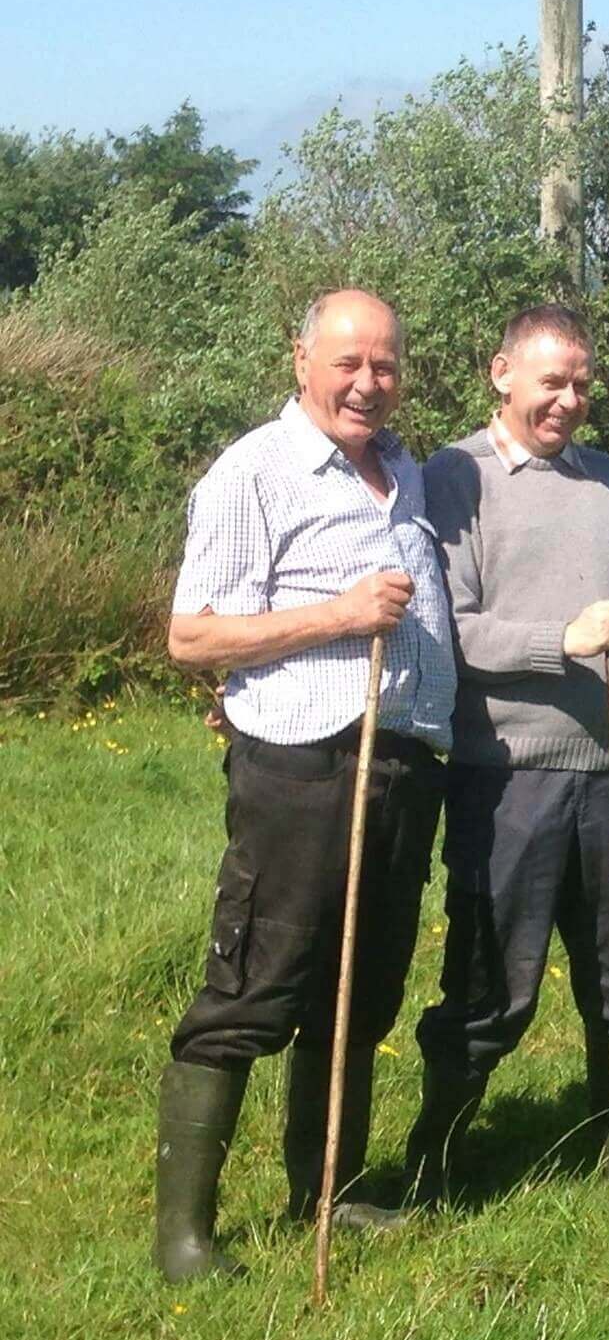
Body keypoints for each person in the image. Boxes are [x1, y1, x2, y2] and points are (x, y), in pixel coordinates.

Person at [155, 288, 454, 1281]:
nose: (368, 383)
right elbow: (192, 634)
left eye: (385, 364)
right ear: (302, 362)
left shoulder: (406, 471)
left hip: (403, 762)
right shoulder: (257, 471)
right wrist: (337, 615)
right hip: (300, 764)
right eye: (348, 363)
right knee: (254, 990)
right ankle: (187, 1238)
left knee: (361, 993)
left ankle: (330, 1190)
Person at [405, 302, 609, 1202]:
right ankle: (436, 1159)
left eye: (582, 384)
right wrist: (556, 640)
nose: (569, 400)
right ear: (501, 374)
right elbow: (442, 628)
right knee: (495, 981)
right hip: (505, 776)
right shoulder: (453, 477)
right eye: (551, 383)